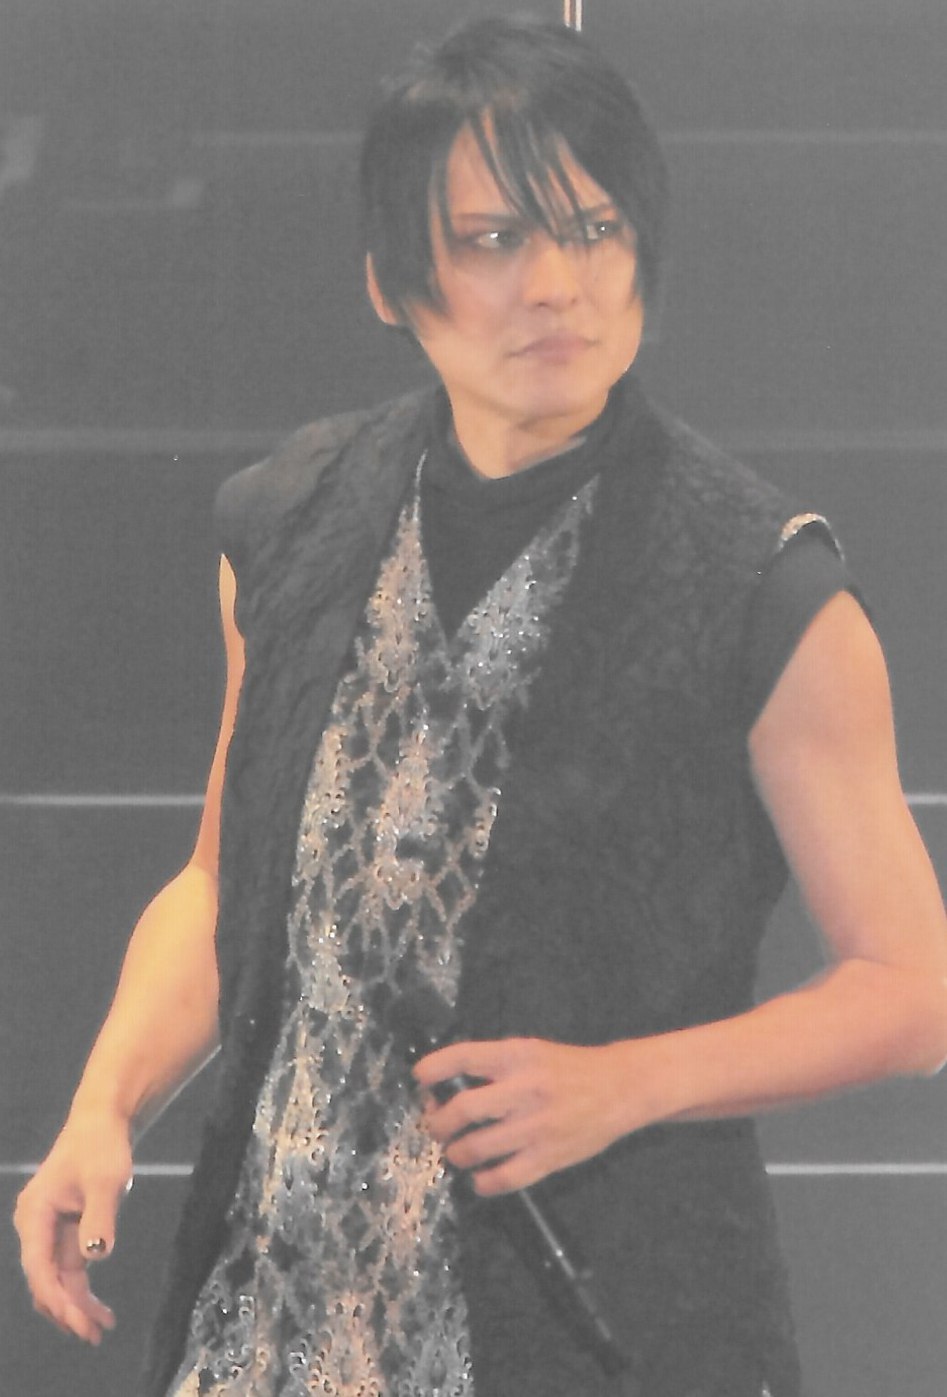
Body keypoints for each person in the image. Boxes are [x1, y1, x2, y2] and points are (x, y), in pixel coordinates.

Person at [14, 14, 947, 1397]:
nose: (557, 284)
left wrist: (626, 1082)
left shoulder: (763, 585)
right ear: (394, 281)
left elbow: (913, 990)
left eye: (595, 229)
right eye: (496, 239)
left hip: (590, 1311)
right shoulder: (286, 524)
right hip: (278, 1310)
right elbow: (224, 887)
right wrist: (104, 1104)